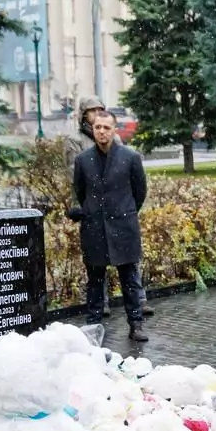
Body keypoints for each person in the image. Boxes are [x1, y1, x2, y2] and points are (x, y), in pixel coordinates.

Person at [66, 97, 149, 318]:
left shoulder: (128, 155)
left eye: (105, 126)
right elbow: (79, 190)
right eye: (97, 126)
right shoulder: (82, 157)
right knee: (95, 278)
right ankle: (95, 321)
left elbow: (139, 190)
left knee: (129, 277)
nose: (101, 130)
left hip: (122, 222)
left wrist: (126, 210)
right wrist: (88, 210)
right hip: (95, 224)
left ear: (113, 129)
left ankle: (136, 321)